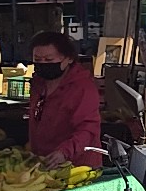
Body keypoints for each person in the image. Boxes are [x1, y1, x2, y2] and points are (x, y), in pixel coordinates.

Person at [26, 31, 101, 169]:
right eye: (37, 59)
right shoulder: (38, 83)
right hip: (44, 162)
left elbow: (88, 129)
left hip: (78, 165)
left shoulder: (83, 88)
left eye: (49, 60)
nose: (42, 64)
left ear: (69, 59)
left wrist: (64, 152)